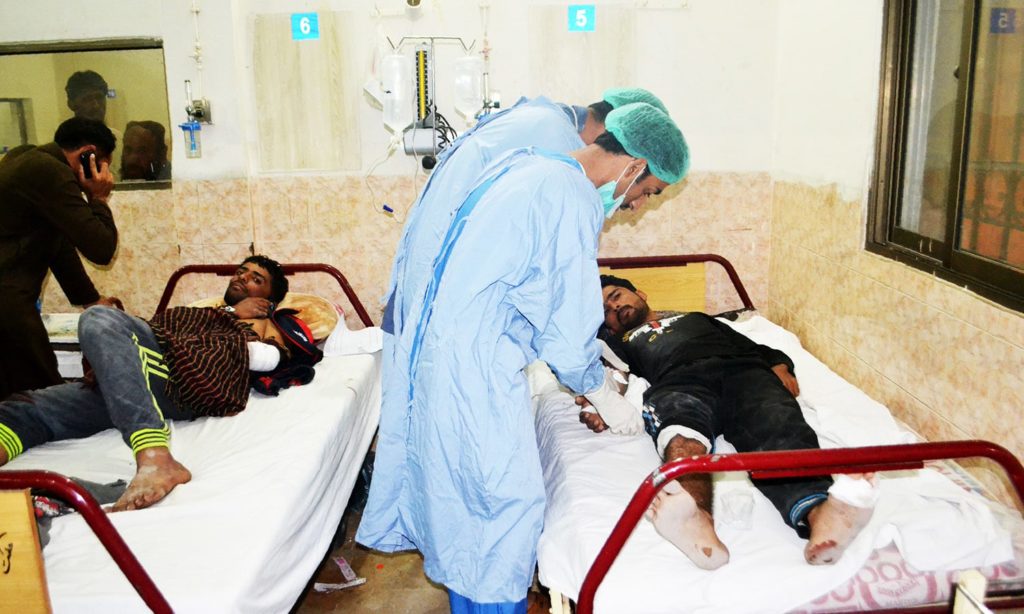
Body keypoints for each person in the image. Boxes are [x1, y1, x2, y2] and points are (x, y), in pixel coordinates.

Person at [357, 102, 689, 612]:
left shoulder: (530, 165)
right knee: (503, 509)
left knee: (466, 511)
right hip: (474, 369)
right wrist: (601, 392)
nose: (639, 204)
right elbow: (567, 322)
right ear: (635, 166)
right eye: (648, 192)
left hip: (448, 357)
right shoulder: (567, 196)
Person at [584, 274, 877, 569]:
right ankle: (696, 520)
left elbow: (749, 344)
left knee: (778, 424)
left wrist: (778, 362)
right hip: (679, 381)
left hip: (743, 372)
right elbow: (612, 378)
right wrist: (603, 407)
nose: (614, 307)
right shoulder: (619, 343)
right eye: (606, 311)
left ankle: (819, 513)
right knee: (680, 435)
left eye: (616, 295)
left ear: (641, 293)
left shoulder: (696, 318)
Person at [0, 255, 309, 512]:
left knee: (98, 318)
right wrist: (227, 311)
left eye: (256, 279)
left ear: (270, 299)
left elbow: (269, 358)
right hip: (133, 381)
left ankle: (155, 457)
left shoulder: (263, 320)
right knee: (24, 409)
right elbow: (162, 329)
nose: (242, 277)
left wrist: (236, 323)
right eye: (242, 271)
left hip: (178, 380)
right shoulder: (204, 312)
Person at [384, 87, 669, 334]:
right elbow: (549, 278)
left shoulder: (543, 121)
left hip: (433, 286)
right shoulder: (557, 150)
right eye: (645, 190)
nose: (633, 204)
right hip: (447, 298)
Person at [0, 117, 119, 400]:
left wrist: (89, 298)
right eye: (102, 164)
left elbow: (57, 241)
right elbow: (101, 249)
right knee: (43, 399)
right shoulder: (50, 172)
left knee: (24, 398)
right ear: (88, 153)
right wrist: (99, 199)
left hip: (10, 303)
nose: (103, 173)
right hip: (7, 305)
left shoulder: (25, 157)